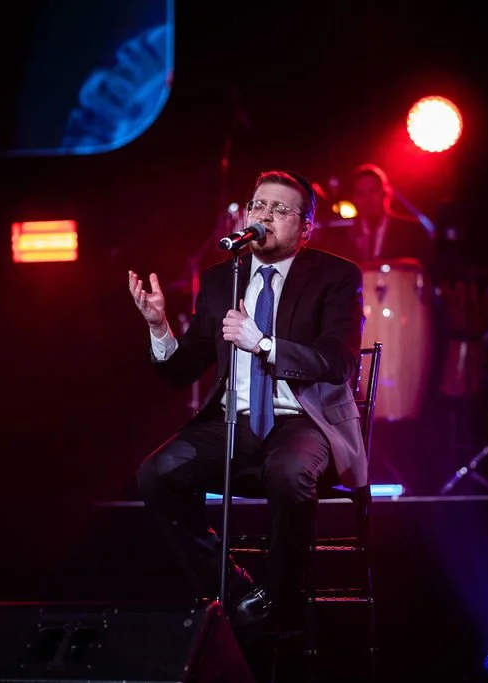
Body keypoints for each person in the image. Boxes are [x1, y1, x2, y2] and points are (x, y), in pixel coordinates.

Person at [129, 170, 366, 628]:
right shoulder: (222, 280)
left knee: (290, 472)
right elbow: (184, 369)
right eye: (259, 205)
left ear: (305, 228)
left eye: (280, 209)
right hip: (232, 421)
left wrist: (264, 344)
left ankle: (281, 600)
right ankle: (237, 592)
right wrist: (159, 328)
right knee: (156, 474)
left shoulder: (335, 276)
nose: (264, 216)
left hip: (303, 420)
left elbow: (339, 362)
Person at [308, 163, 434, 269]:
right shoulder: (343, 236)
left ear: (386, 193)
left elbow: (429, 270)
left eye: (373, 191)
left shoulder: (411, 230)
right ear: (354, 199)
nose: (367, 199)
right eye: (360, 193)